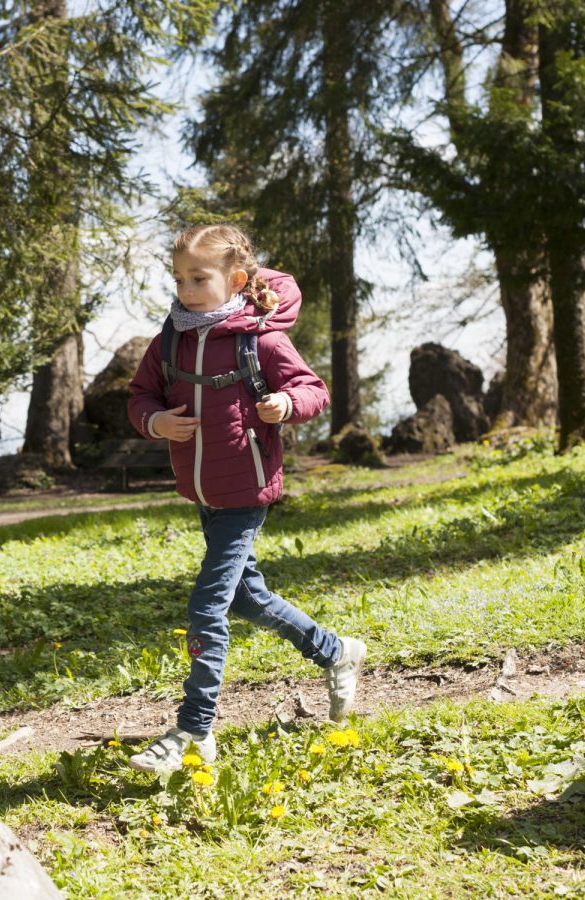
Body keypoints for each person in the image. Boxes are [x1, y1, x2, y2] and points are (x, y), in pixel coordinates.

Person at [125, 223, 366, 773]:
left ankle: (194, 729)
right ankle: (337, 651)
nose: (186, 289)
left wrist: (286, 403)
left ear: (235, 279)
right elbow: (141, 397)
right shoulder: (171, 339)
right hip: (204, 490)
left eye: (199, 278)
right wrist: (157, 421)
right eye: (180, 278)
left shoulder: (260, 337)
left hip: (247, 489)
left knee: (206, 606)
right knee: (246, 598)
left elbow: (313, 389)